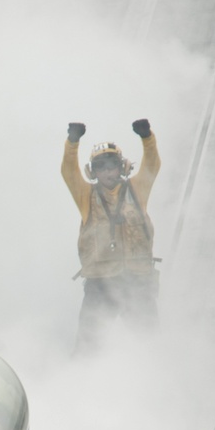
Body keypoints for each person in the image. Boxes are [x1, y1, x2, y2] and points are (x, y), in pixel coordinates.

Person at [61, 119, 160, 351]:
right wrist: (72, 142)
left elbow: (152, 165)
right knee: (89, 343)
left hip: (138, 280)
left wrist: (147, 138)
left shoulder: (137, 190)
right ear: (92, 172)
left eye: (112, 166)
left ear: (122, 167)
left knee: (149, 342)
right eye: (101, 167)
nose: (107, 172)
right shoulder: (85, 196)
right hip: (100, 284)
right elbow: (68, 172)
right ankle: (83, 380)